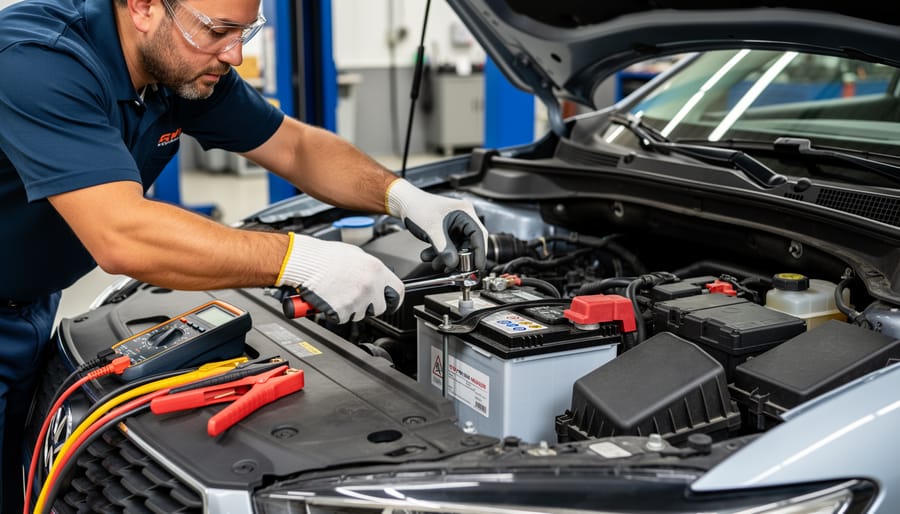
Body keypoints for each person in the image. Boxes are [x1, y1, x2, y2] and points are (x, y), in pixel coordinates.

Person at [0, 0, 488, 510]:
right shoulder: (35, 59)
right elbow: (122, 235)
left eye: (246, 32)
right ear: (143, 7)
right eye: (219, 30)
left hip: (31, 304)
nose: (233, 54)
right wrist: (304, 261)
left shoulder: (180, 63)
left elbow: (294, 146)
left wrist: (405, 198)